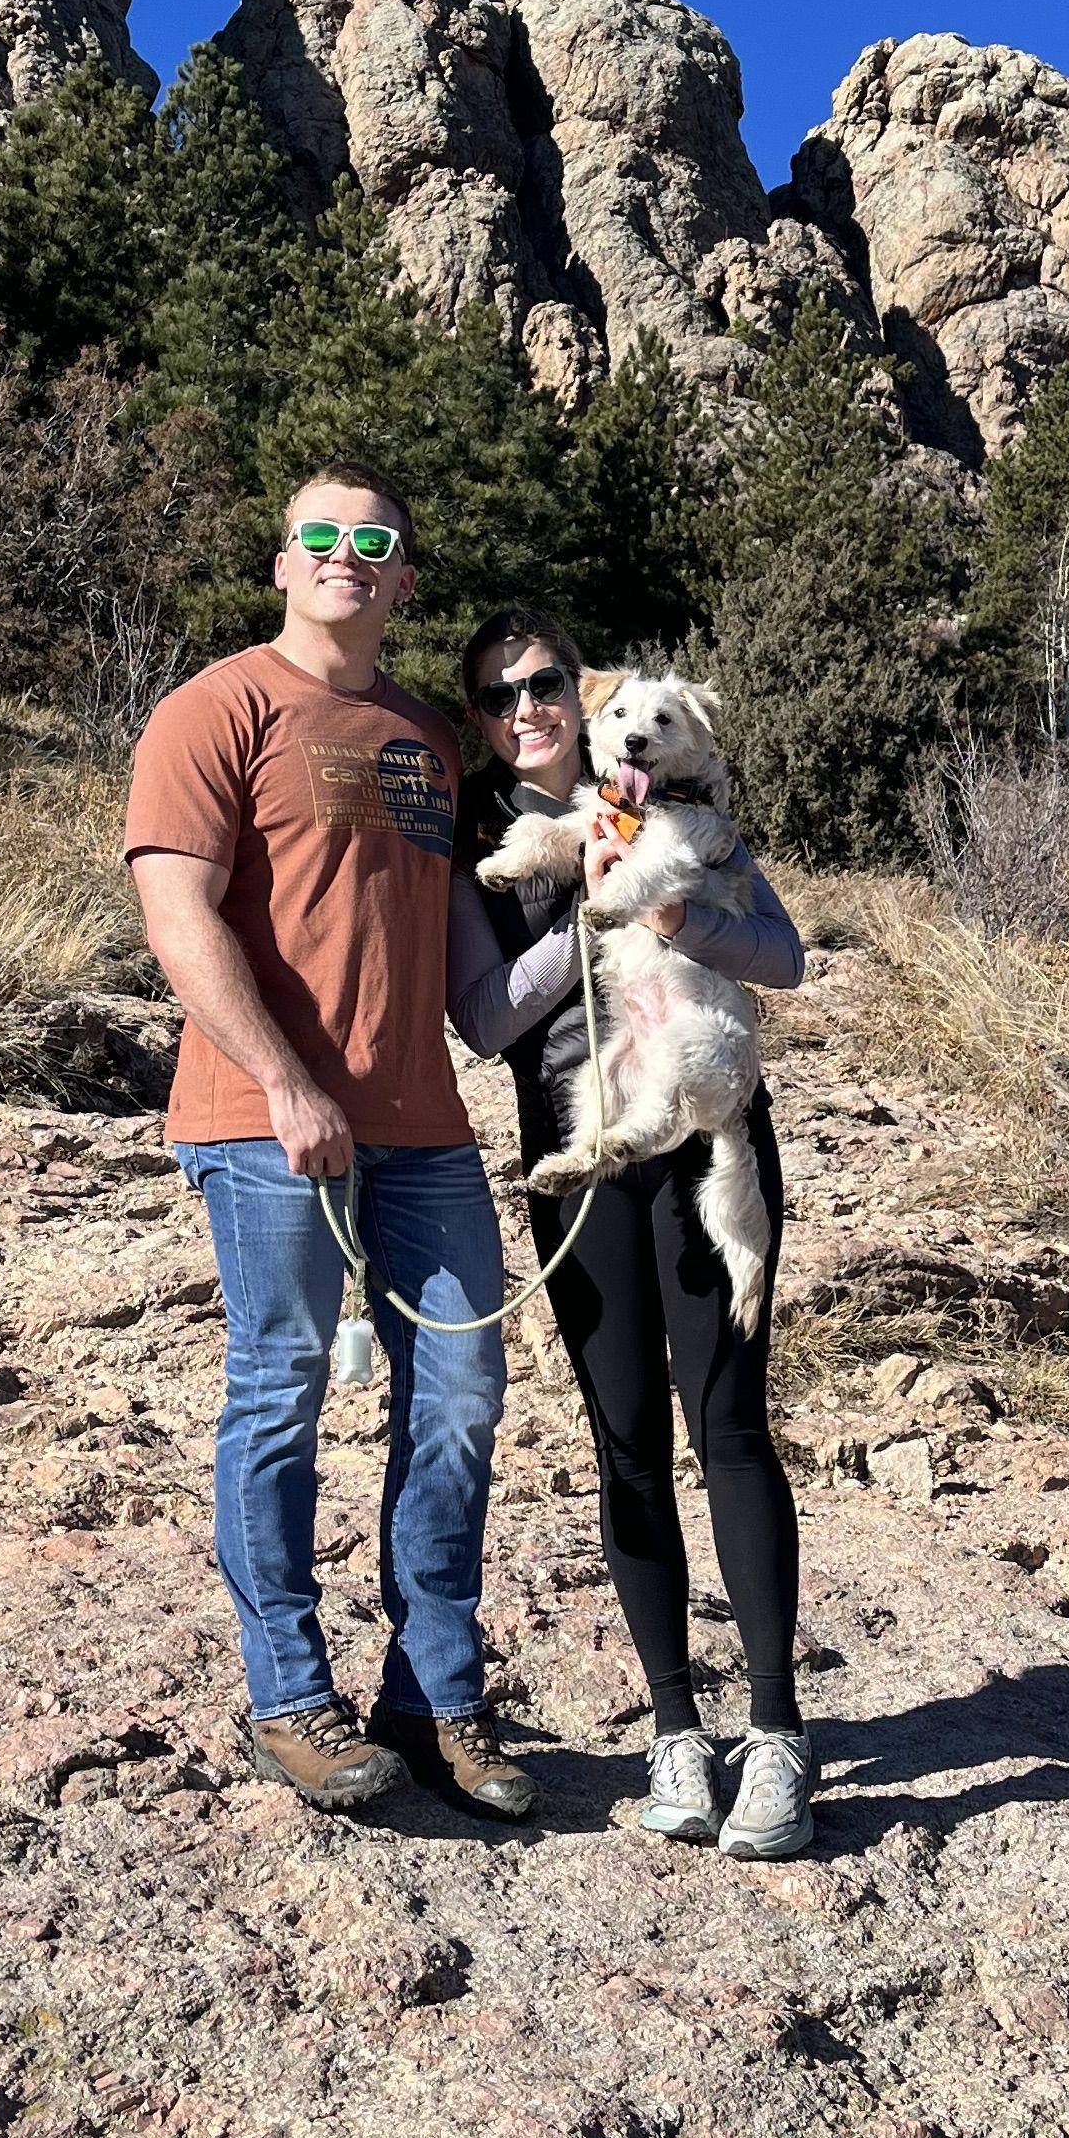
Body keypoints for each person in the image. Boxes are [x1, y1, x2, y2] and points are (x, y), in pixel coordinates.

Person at [123, 472, 538, 1823]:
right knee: (282, 1389)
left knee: (463, 1398)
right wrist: (288, 1081)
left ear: (403, 580)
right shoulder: (214, 708)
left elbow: (472, 962)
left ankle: (432, 1699)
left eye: (375, 542)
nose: (346, 557)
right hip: (267, 1123)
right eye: (322, 538)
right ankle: (291, 1697)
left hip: (425, 1129)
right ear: (283, 564)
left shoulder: (429, 736)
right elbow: (178, 915)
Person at [443, 610, 819, 1860]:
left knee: (731, 1426)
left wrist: (669, 913)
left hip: (707, 1128)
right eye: (503, 699)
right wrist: (587, 907)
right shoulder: (491, 839)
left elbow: (787, 955)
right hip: (583, 1157)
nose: (530, 709)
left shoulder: (694, 817)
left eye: (548, 683)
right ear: (486, 724)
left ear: (585, 696)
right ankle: (675, 1728)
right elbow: (486, 1022)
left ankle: (774, 1734)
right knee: (627, 1447)